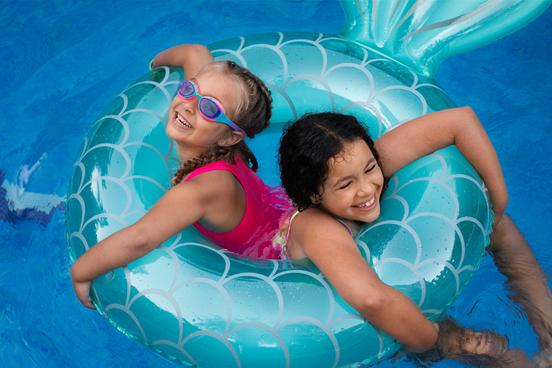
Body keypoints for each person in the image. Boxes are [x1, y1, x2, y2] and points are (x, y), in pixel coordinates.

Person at [278, 111, 552, 367]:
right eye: (346, 185)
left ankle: (548, 327)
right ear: (313, 194)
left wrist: (499, 202)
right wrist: (435, 339)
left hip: (395, 277)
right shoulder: (316, 227)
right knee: (483, 347)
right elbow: (372, 300)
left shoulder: (356, 162)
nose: (366, 189)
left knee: (498, 225)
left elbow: (461, 120)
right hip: (347, 317)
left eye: (370, 168)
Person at [71, 44, 291, 310]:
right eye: (189, 89)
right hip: (278, 213)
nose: (189, 106)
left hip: (273, 254)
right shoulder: (221, 141)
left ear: (231, 136)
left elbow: (140, 238)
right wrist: (154, 67)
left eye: (209, 109)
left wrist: (80, 272)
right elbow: (194, 53)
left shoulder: (199, 191)